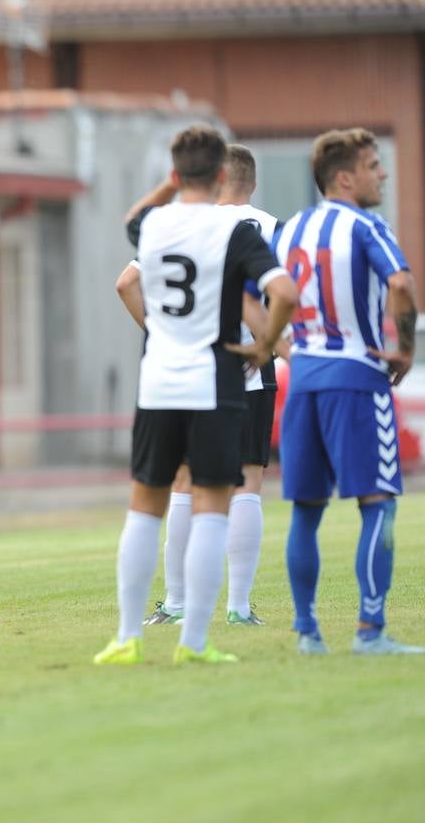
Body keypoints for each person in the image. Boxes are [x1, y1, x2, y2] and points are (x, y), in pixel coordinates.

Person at [94, 124, 296, 666]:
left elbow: (131, 230)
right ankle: (196, 642)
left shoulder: (155, 226)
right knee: (214, 502)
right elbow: (284, 293)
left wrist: (167, 186)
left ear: (177, 173)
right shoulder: (237, 231)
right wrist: (267, 345)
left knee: (146, 504)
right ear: (225, 175)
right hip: (214, 382)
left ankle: (126, 635)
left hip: (158, 377)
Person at [274, 128, 423, 656]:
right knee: (378, 505)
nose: (382, 173)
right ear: (345, 177)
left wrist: (283, 346)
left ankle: (307, 633)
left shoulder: (289, 228)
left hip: (303, 382)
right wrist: (403, 347)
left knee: (306, 511)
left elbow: (259, 294)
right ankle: (370, 632)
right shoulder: (365, 226)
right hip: (357, 381)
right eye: (373, 164)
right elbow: (402, 284)